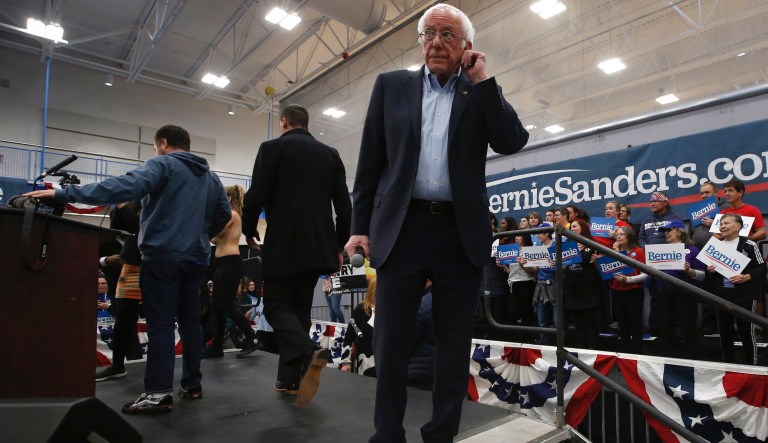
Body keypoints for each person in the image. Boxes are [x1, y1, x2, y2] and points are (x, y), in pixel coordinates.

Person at [344, 4, 529, 441]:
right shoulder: (391, 86)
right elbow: (370, 162)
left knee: (452, 345)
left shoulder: (476, 91)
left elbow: (512, 141)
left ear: (467, 45)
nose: (436, 42)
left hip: (457, 233)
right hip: (401, 230)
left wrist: (483, 81)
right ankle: (387, 435)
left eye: (448, 34)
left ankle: (441, 434)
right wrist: (359, 226)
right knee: (390, 344)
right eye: (429, 33)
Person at [24, 125, 232, 414]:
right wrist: (197, 233)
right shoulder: (210, 177)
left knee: (160, 324)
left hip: (162, 257)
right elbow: (223, 213)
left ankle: (158, 393)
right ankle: (192, 384)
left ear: (163, 143)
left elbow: (120, 187)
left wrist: (63, 194)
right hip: (196, 258)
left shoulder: (162, 164)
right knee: (189, 323)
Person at [242, 104, 352, 407]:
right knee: (300, 310)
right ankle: (288, 380)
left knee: (275, 305)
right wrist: (339, 245)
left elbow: (255, 195)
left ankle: (306, 350)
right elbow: (344, 207)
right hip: (318, 246)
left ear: (283, 123)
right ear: (307, 123)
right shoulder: (330, 154)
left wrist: (249, 228)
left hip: (284, 241)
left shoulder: (271, 148)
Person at [205, 184, 261, 359]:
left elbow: (213, 231)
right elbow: (215, 238)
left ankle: (252, 338)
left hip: (230, 263)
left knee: (226, 305)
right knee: (217, 306)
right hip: (222, 263)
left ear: (228, 199)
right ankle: (216, 346)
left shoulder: (232, 214)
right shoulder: (228, 216)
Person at [707, 214, 766, 365]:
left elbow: (761, 268)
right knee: (725, 330)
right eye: (721, 223)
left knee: (746, 330)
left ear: (738, 226)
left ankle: (752, 365)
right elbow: (708, 275)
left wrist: (747, 276)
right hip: (722, 295)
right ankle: (728, 364)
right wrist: (710, 270)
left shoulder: (749, 245)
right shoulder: (715, 246)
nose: (722, 226)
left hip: (745, 295)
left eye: (726, 223)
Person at [96, 201, 143, 382]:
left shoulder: (153, 207)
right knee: (123, 320)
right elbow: (117, 226)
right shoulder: (110, 236)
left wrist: (123, 206)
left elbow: (140, 225)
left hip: (153, 266)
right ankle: (118, 365)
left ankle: (157, 366)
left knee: (159, 319)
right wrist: (119, 207)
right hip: (130, 270)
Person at [654, 220, 706, 358]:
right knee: (666, 324)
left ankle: (692, 354)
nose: (666, 233)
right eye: (664, 231)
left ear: (679, 231)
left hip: (685, 290)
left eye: (669, 230)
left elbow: (702, 275)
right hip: (664, 290)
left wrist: (690, 271)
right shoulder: (659, 251)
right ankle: (667, 353)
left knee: (688, 323)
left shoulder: (692, 249)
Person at [637, 191, 684, 334]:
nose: (651, 203)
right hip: (653, 265)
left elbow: (681, 239)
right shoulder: (646, 220)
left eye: (655, 201)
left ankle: (677, 331)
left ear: (665, 202)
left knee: (675, 299)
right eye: (650, 201)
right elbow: (640, 239)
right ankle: (656, 330)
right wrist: (648, 249)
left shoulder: (675, 218)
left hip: (672, 264)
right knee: (656, 299)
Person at [564, 219, 602, 349]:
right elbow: (562, 264)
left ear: (583, 227)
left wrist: (581, 254)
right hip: (572, 289)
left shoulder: (591, 242)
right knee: (578, 322)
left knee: (590, 322)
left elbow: (596, 263)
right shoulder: (567, 243)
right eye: (571, 227)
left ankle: (593, 347)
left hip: (589, 289)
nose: (572, 229)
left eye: (575, 226)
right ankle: (581, 346)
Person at [609, 226, 648, 353]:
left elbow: (645, 274)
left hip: (633, 291)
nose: (618, 237)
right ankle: (624, 348)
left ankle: (636, 349)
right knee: (622, 321)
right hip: (616, 290)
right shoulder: (613, 250)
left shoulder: (639, 251)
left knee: (635, 321)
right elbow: (609, 270)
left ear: (629, 237)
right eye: (617, 234)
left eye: (622, 234)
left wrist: (628, 280)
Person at [339, 278, 377, 377]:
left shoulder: (391, 310)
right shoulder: (361, 310)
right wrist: (346, 362)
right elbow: (349, 337)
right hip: (364, 365)